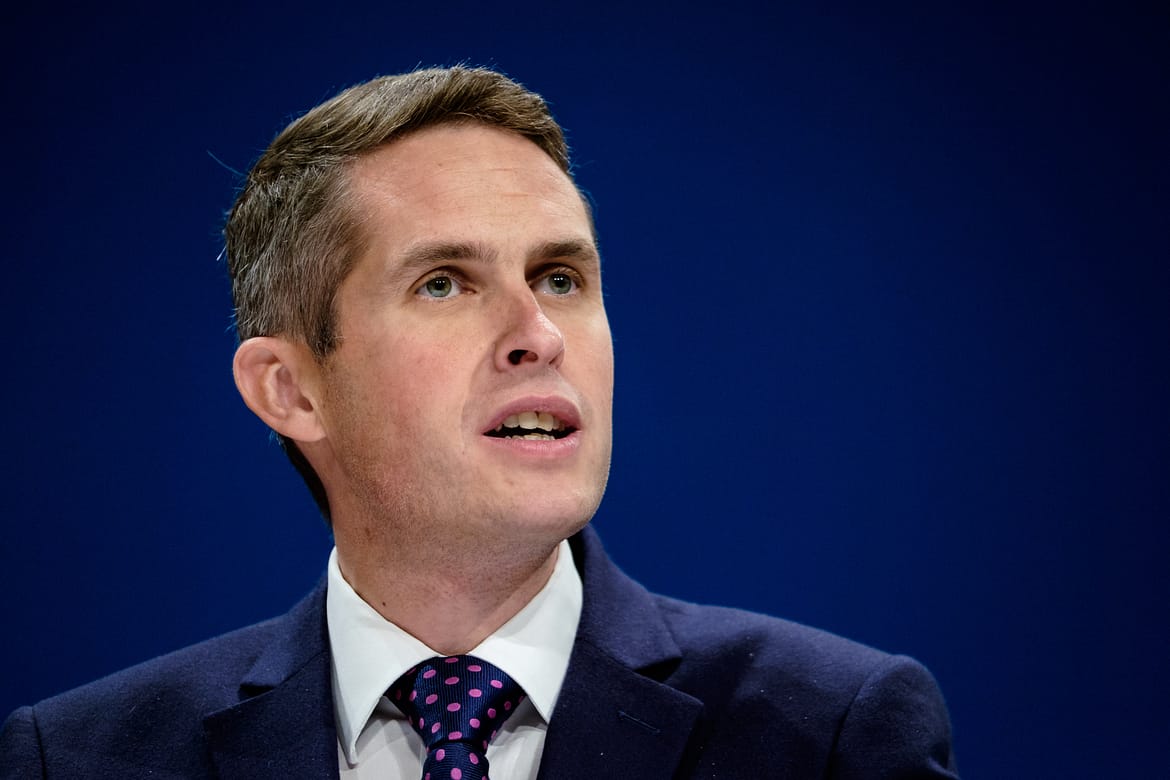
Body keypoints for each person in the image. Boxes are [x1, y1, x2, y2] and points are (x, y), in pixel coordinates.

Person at [0, 66, 958, 779]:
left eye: (560, 278)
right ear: (291, 391)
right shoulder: (76, 759)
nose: (538, 335)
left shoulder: (829, 736)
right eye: (444, 283)